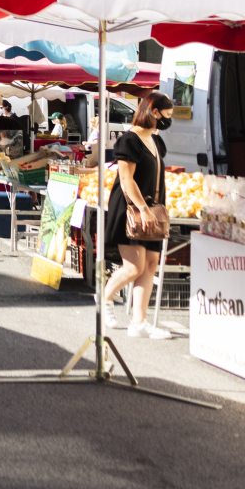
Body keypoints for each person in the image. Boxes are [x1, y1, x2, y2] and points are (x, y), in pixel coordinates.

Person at [99, 92, 176, 340]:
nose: (168, 120)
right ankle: (105, 298)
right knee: (134, 266)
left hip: (153, 210)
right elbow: (125, 179)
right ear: (154, 112)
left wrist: (154, 209)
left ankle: (139, 322)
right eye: (167, 115)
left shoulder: (157, 142)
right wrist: (142, 208)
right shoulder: (129, 141)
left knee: (150, 265)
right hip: (131, 210)